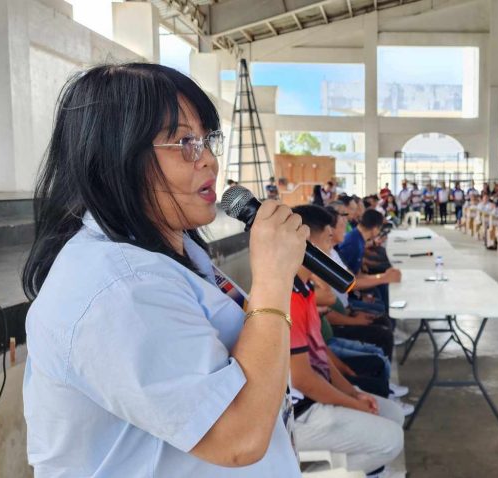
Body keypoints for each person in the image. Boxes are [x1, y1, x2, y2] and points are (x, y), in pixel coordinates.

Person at [22, 63, 301, 475]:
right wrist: (274, 281)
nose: (207, 160)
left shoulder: (168, 253)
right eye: (185, 142)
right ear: (117, 158)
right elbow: (237, 437)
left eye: (208, 140)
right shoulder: (117, 289)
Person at [286, 207, 405, 476]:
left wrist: (353, 392)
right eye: (329, 238)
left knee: (392, 415)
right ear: (307, 242)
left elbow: (322, 358)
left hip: (317, 397)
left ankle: (368, 470)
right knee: (390, 439)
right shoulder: (287, 295)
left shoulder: (305, 290)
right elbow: (303, 379)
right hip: (300, 413)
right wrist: (353, 403)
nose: (335, 244)